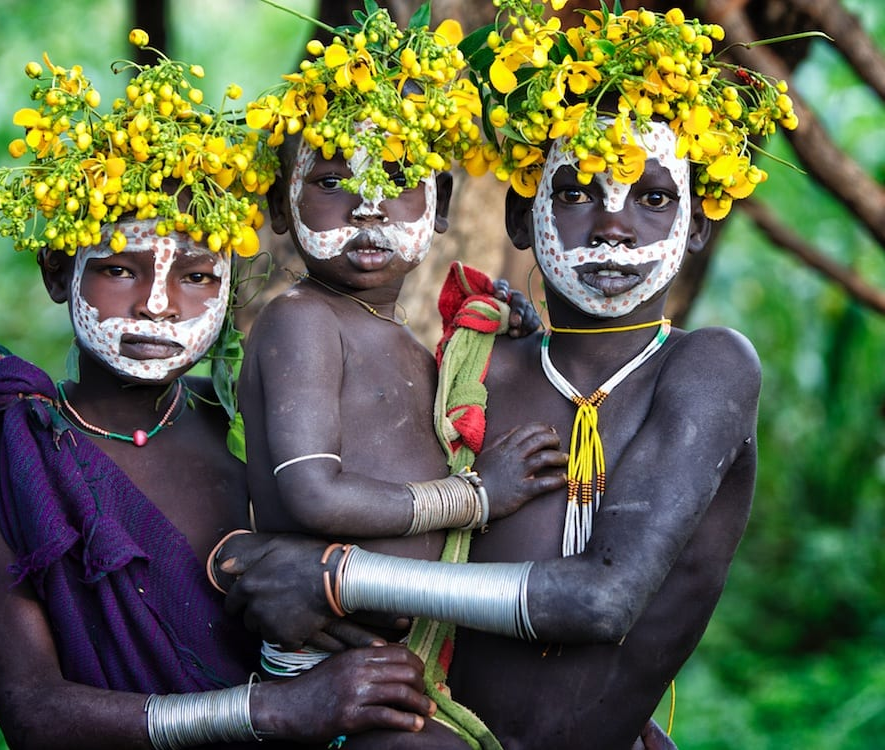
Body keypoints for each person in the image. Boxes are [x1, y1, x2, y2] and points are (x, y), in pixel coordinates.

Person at [214, 4, 800, 748]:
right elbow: (357, 504)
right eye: (576, 191)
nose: (613, 223)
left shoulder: (709, 367)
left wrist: (332, 577)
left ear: (699, 227)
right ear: (523, 220)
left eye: (653, 198)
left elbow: (602, 602)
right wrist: (262, 565)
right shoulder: (472, 365)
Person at [0, 32, 436, 750]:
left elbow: (366, 605)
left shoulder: (241, 416)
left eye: (197, 275)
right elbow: (34, 712)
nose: (160, 306)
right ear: (56, 273)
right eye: (120, 269)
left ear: (229, 285)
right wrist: (274, 710)